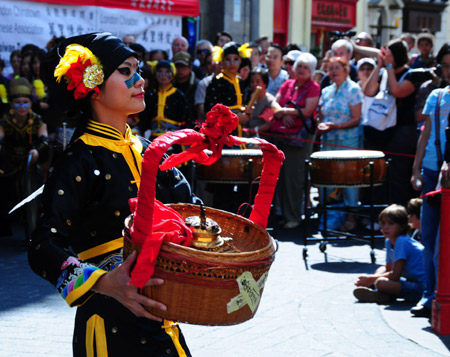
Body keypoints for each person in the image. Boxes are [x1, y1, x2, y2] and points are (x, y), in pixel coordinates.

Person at [28, 32, 198, 356]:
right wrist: (106, 283)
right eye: (125, 70)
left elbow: (189, 209)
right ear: (93, 84)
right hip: (109, 326)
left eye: (138, 69)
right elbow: (42, 247)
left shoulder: (150, 151)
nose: (140, 79)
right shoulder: (79, 159)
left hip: (163, 321)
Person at [363, 39, 433, 207]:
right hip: (382, 131)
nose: (385, 57)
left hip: (402, 132)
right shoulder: (384, 72)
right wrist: (379, 66)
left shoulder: (412, 75)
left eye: (389, 54)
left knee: (398, 175)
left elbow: (397, 91)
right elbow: (368, 91)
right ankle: (380, 214)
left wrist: (388, 68)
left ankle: (399, 214)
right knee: (380, 176)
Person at [409, 42, 450, 318]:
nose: (449, 70)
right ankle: (429, 293)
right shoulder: (436, 95)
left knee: (443, 242)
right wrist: (415, 170)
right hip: (433, 171)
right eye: (445, 65)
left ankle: (441, 294)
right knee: (429, 236)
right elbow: (425, 135)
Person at [270, 53, 320, 229]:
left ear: (311, 71)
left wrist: (284, 112)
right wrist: (283, 114)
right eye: (299, 66)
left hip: (299, 140)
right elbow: (274, 104)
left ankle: (294, 216)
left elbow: (307, 111)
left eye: (306, 67)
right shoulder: (288, 83)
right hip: (281, 136)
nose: (301, 70)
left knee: (294, 178)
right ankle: (282, 213)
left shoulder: (313, 87)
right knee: (281, 178)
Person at [317, 56, 363, 231]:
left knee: (349, 179)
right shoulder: (326, 91)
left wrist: (337, 126)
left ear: (346, 70)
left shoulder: (353, 89)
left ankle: (352, 216)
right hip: (328, 141)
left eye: (337, 68)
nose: (333, 72)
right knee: (328, 178)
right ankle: (329, 216)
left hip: (347, 141)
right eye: (331, 68)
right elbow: (320, 114)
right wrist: (320, 123)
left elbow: (356, 118)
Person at [0, 77, 49, 236]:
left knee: (32, 195)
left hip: (30, 163)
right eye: (18, 102)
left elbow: (44, 139)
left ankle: (32, 228)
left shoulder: (37, 120)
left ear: (30, 103)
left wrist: (36, 150)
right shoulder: (5, 120)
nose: (22, 106)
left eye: (25, 102)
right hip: (9, 165)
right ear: (12, 104)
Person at [353, 205, 426, 304]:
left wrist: (370, 278)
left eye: (391, 224)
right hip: (409, 279)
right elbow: (388, 268)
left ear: (402, 226)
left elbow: (395, 275)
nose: (385, 227)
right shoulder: (389, 241)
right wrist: (371, 278)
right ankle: (380, 292)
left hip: (421, 287)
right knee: (381, 269)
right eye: (383, 223)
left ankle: (379, 290)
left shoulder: (402, 241)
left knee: (381, 283)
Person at [139, 60, 191, 139]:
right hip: (153, 138)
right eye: (159, 71)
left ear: (173, 74)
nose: (163, 74)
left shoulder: (178, 95)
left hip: (174, 140)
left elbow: (188, 119)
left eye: (167, 71)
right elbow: (144, 120)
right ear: (155, 74)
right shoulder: (150, 95)